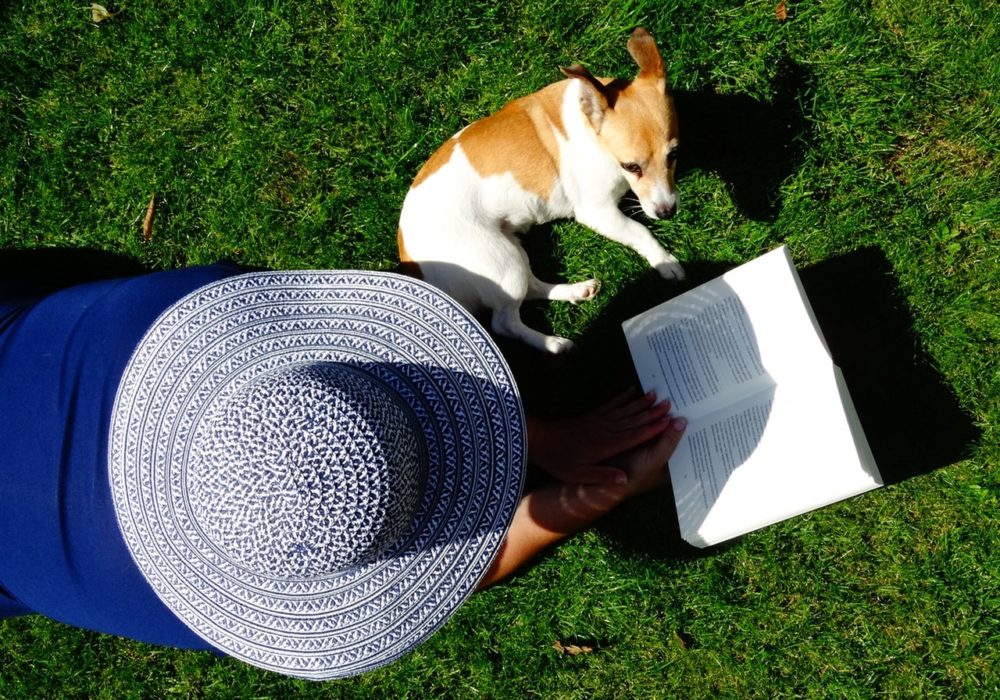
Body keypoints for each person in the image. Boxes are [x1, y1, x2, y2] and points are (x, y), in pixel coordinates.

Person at [0, 261, 685, 679]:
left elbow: (443, 563)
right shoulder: (191, 308)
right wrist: (590, 493)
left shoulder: (184, 305)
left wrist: (546, 444)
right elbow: (454, 569)